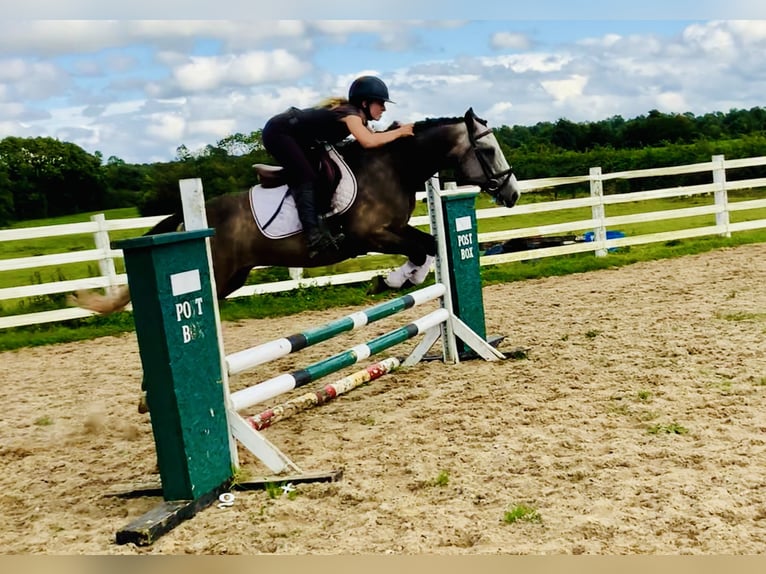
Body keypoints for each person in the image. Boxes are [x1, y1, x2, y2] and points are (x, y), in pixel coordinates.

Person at [261, 75, 415, 258]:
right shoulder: (351, 115)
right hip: (279, 132)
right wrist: (400, 132)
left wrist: (393, 131)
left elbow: (373, 141)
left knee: (321, 172)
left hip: (299, 137)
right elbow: (368, 142)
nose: (384, 108)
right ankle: (313, 237)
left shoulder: (356, 117)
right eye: (380, 103)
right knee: (306, 176)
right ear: (365, 103)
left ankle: (325, 221)